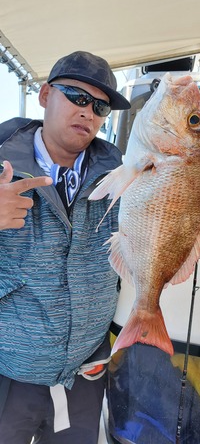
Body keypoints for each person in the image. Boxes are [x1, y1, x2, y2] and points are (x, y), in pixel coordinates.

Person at [0, 50, 130, 444]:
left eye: (100, 106)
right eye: (75, 96)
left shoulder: (122, 176)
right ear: (44, 96)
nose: (87, 111)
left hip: (86, 376)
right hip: (9, 374)